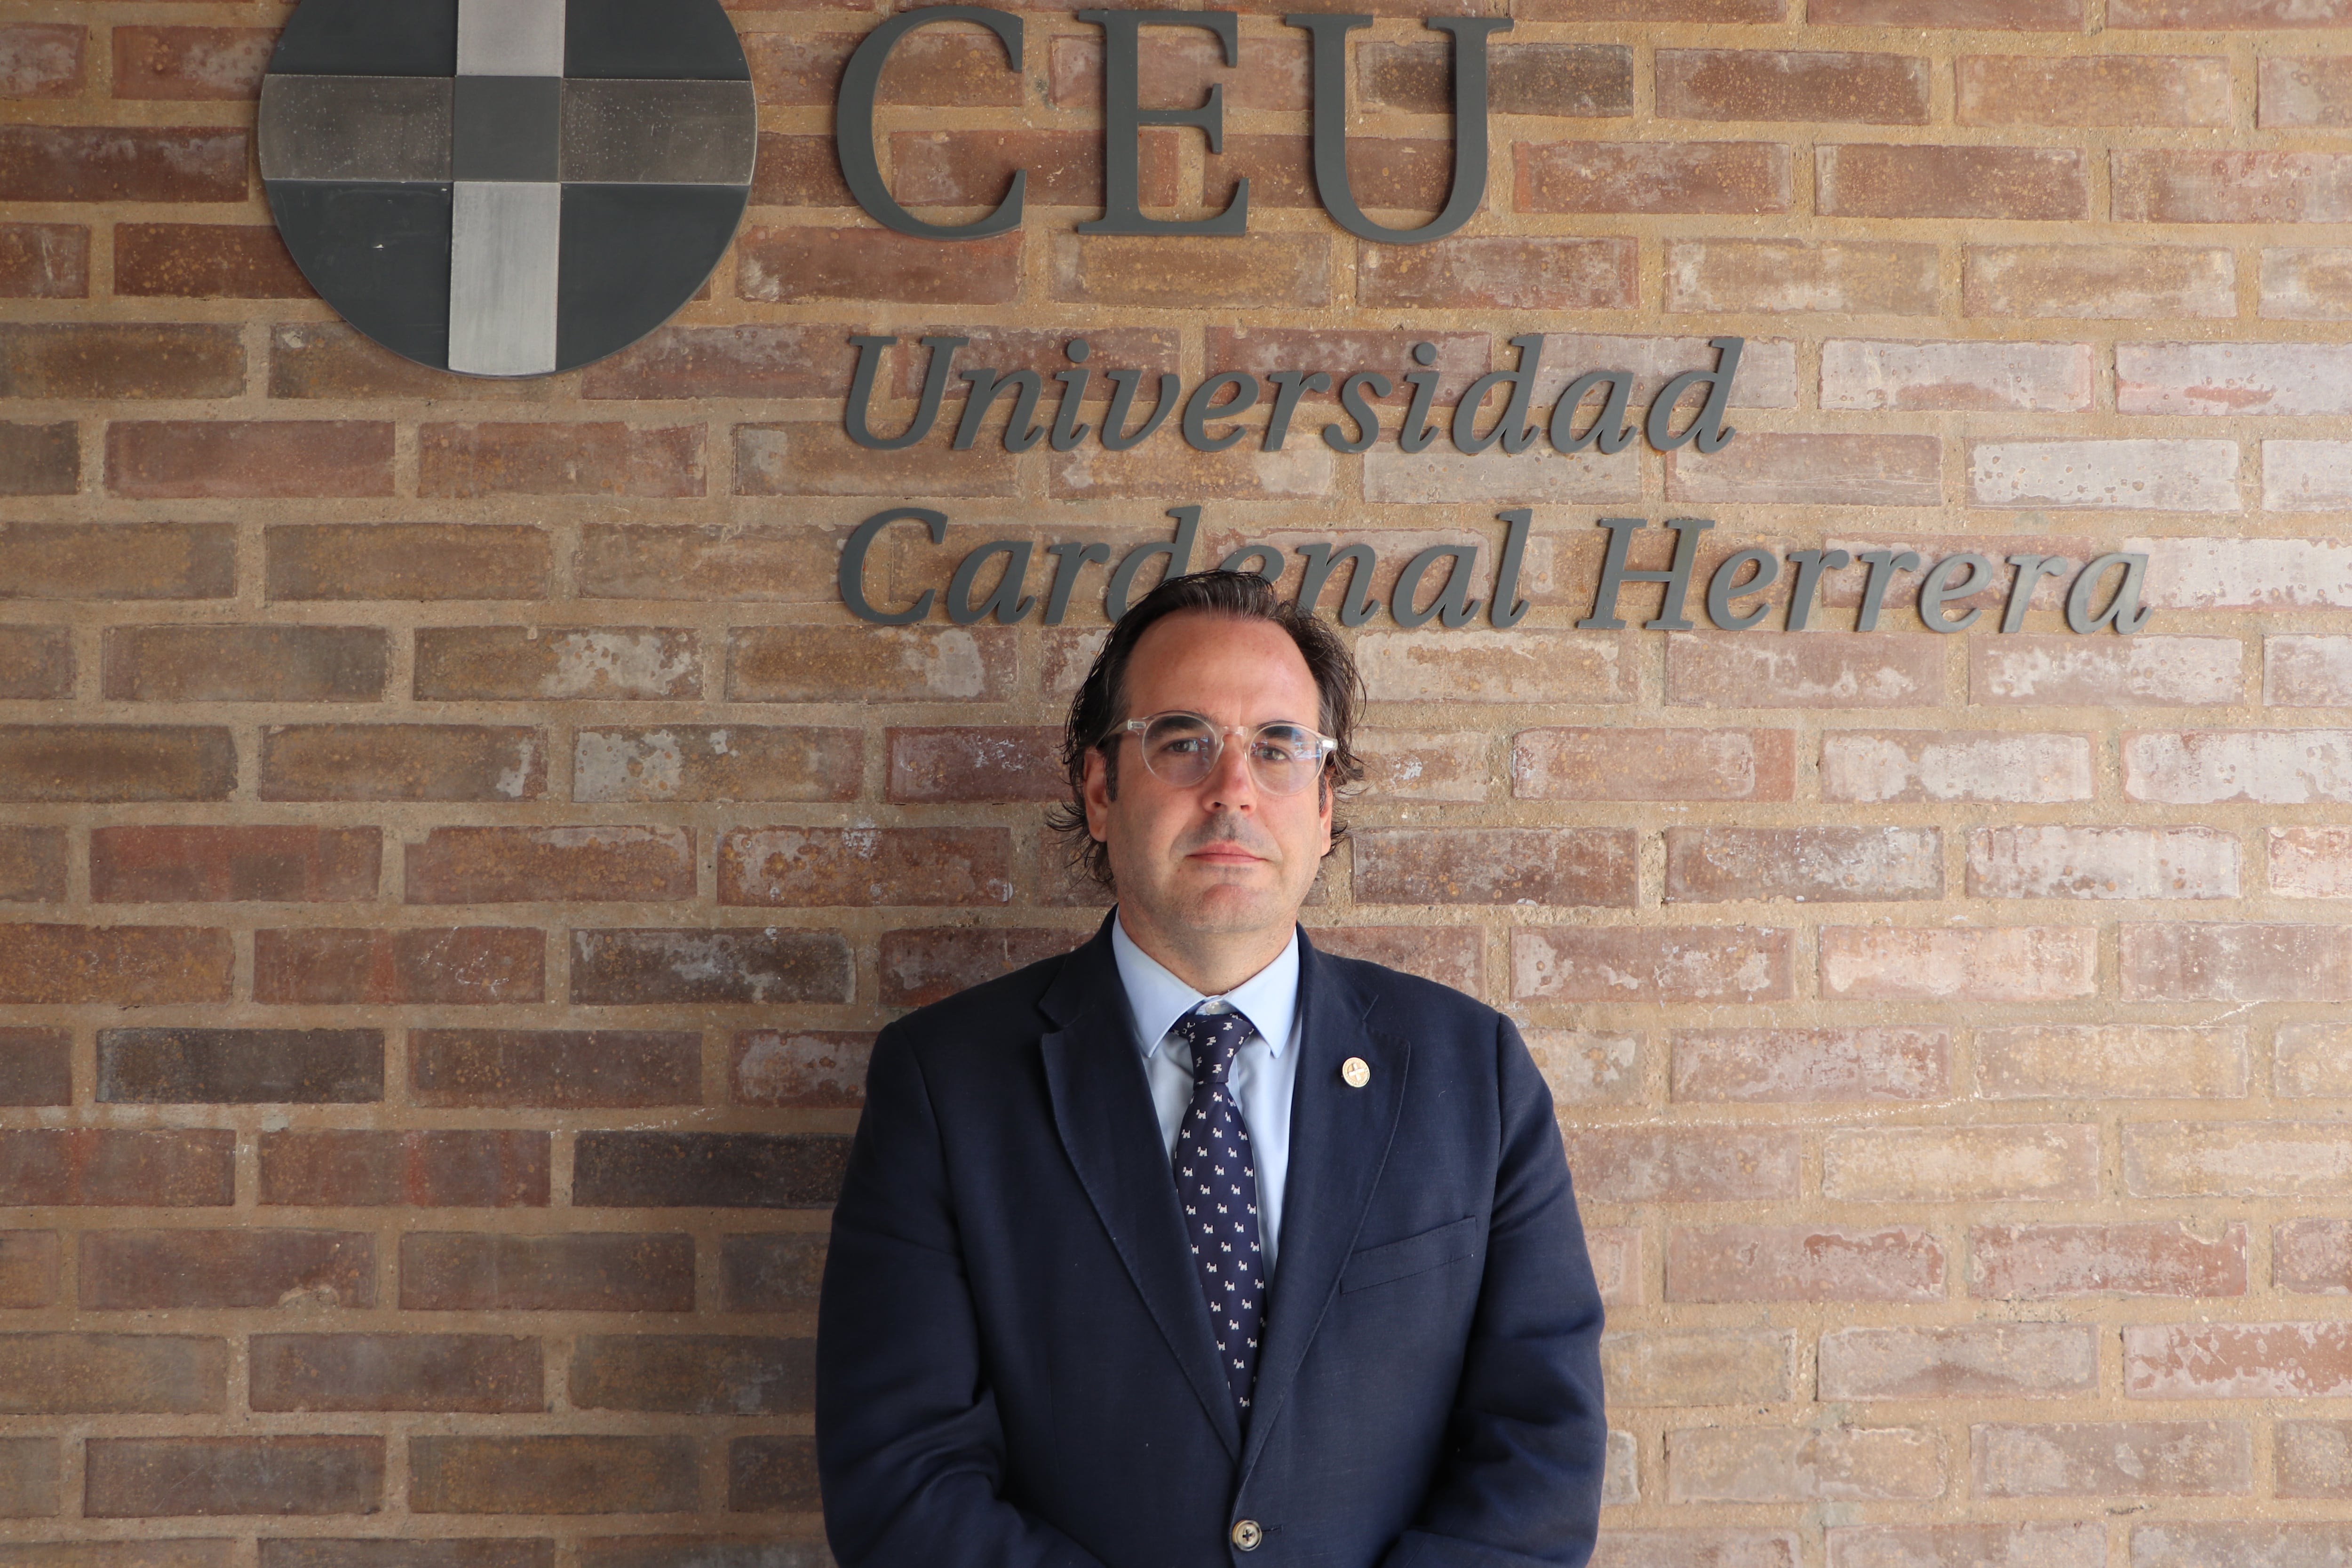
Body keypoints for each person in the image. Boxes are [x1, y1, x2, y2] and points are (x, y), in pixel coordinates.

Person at [816, 570, 1609, 1568]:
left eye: (1278, 747)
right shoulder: (944, 1086)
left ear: (1323, 805)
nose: (1232, 787)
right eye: (1182, 740)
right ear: (1099, 790)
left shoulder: (1473, 1074)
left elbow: (1541, 1449)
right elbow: (901, 1480)